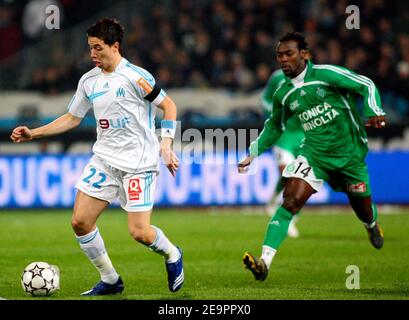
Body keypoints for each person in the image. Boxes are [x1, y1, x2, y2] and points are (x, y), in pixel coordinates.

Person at [10, 17, 184, 295]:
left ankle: (173, 253)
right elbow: (71, 118)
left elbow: (170, 106)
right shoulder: (89, 81)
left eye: (98, 48)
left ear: (115, 46)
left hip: (139, 164)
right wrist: (34, 133)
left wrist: (166, 145)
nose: (92, 54)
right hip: (104, 160)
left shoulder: (136, 77)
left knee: (140, 233)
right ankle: (111, 280)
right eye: (90, 47)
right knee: (80, 222)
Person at [238, 32, 386, 281]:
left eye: (289, 54)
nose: (283, 60)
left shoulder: (326, 75)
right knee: (290, 202)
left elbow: (366, 84)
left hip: (349, 157)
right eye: (279, 55)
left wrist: (374, 109)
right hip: (314, 156)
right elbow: (274, 126)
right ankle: (265, 262)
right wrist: (253, 153)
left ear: (304, 54)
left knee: (363, 210)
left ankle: (371, 225)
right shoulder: (282, 93)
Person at [260, 68, 304, 238]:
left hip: (305, 134)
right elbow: (264, 100)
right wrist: (276, 111)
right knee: (290, 174)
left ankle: (290, 217)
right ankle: (277, 206)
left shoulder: (316, 77)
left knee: (302, 179)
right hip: (283, 135)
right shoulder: (278, 76)